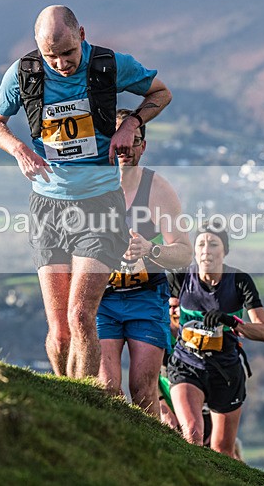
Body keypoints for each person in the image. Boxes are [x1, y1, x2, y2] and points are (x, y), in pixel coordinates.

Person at [0, 5, 172, 379]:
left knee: (81, 314)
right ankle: (64, 395)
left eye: (67, 54)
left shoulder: (110, 65)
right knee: (59, 328)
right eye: (50, 56)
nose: (60, 64)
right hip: (47, 205)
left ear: (82, 35)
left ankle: (82, 398)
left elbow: (161, 93)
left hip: (100, 204)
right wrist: (20, 149)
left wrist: (131, 123)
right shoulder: (25, 73)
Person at [97, 109, 191, 416]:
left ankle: (149, 459)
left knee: (142, 388)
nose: (124, 149)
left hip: (146, 295)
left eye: (133, 141)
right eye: (118, 141)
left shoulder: (157, 189)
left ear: (143, 146)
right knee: (107, 386)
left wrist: (151, 249)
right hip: (101, 297)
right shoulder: (91, 188)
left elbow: (184, 253)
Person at [166, 219, 264, 459]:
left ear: (224, 251)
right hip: (187, 364)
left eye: (213, 244)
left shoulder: (239, 281)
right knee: (192, 434)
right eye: (201, 244)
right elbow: (168, 318)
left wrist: (232, 322)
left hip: (226, 370)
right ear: (194, 250)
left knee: (222, 451)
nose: (206, 250)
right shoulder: (181, 277)